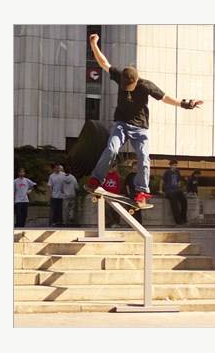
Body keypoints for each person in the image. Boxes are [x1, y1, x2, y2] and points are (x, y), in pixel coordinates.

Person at [86, 33, 203, 209]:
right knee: (111, 148)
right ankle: (96, 179)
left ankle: (141, 192)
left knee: (143, 157)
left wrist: (187, 104)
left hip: (140, 128)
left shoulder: (146, 85)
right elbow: (103, 63)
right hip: (121, 124)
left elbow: (166, 98)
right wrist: (94, 44)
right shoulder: (120, 75)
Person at [159, 159, 187, 226]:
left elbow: (179, 180)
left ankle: (183, 217)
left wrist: (178, 187)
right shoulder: (167, 172)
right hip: (169, 191)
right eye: (174, 165)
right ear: (171, 165)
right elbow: (162, 181)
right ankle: (178, 221)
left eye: (176, 165)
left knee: (184, 201)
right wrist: (160, 190)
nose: (175, 167)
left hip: (177, 190)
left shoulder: (177, 172)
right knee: (175, 205)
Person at [101, 162, 121, 228]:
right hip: (106, 195)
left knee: (116, 210)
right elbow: (102, 185)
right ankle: (111, 222)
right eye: (115, 167)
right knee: (107, 209)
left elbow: (118, 185)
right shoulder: (105, 175)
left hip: (114, 195)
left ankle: (117, 223)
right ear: (111, 168)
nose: (116, 168)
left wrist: (117, 194)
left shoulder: (116, 175)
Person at [124, 160, 142, 224]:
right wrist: (128, 193)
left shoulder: (140, 175)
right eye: (134, 166)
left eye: (136, 166)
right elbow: (126, 184)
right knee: (130, 208)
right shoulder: (129, 175)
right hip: (131, 193)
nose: (135, 167)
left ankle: (139, 223)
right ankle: (131, 223)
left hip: (138, 193)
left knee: (138, 208)